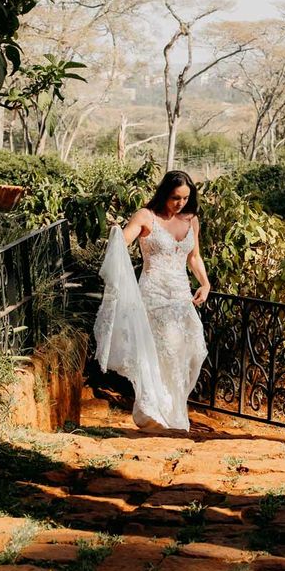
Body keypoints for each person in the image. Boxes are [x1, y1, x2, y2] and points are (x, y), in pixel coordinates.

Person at [93, 171, 210, 431]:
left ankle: (176, 416)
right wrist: (116, 235)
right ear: (163, 194)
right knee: (160, 355)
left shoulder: (192, 220)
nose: (180, 203)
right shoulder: (146, 216)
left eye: (185, 198)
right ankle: (150, 413)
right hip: (154, 296)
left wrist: (205, 283)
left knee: (187, 354)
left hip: (181, 297)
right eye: (174, 197)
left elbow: (194, 257)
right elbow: (122, 243)